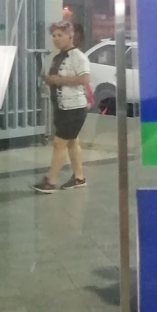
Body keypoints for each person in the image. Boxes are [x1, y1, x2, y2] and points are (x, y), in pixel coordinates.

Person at [32, 20, 91, 193]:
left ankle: (50, 181)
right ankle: (79, 177)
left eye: (60, 35)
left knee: (59, 143)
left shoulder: (78, 57)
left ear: (70, 35)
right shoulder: (58, 57)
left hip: (73, 108)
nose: (56, 39)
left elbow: (85, 79)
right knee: (72, 142)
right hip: (62, 106)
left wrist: (58, 80)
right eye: (54, 35)